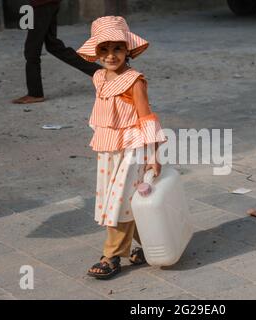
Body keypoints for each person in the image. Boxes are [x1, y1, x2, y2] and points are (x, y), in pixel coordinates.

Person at [77, 16, 167, 280]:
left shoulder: (134, 80)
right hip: (109, 148)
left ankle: (112, 255)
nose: (111, 55)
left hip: (133, 150)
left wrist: (152, 155)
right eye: (103, 49)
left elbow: (145, 117)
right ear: (96, 53)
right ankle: (151, 243)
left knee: (119, 204)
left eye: (117, 48)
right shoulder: (98, 78)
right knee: (122, 201)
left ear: (128, 49)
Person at [13, 0, 102, 104]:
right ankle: (101, 72)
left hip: (42, 5)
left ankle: (35, 94)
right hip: (48, 4)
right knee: (53, 46)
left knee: (32, 50)